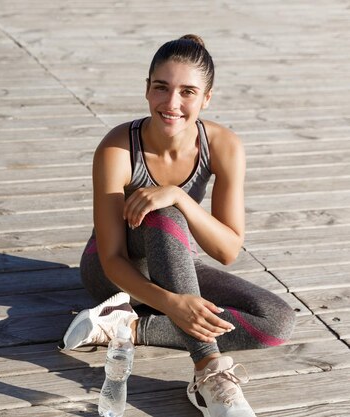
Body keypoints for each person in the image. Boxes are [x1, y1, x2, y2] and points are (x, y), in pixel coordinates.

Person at [59, 35, 296, 417]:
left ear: (207, 98)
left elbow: (227, 250)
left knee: (277, 322)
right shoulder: (117, 148)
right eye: (161, 88)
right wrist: (174, 304)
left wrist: (179, 195)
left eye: (187, 92)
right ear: (147, 90)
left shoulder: (224, 145)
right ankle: (210, 375)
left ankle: (127, 329)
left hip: (177, 263)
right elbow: (112, 257)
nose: (172, 104)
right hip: (115, 274)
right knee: (162, 215)